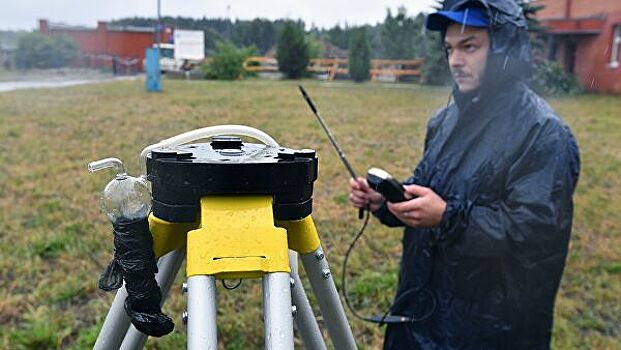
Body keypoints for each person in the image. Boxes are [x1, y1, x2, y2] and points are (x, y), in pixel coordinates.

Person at [349, 0, 580, 349]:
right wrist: (386, 201)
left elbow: (536, 231)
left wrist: (447, 217)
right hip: (420, 314)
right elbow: (424, 192)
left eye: (469, 46)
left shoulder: (543, 133)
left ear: (504, 48)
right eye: (449, 48)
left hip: (489, 329)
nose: (455, 60)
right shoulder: (445, 120)